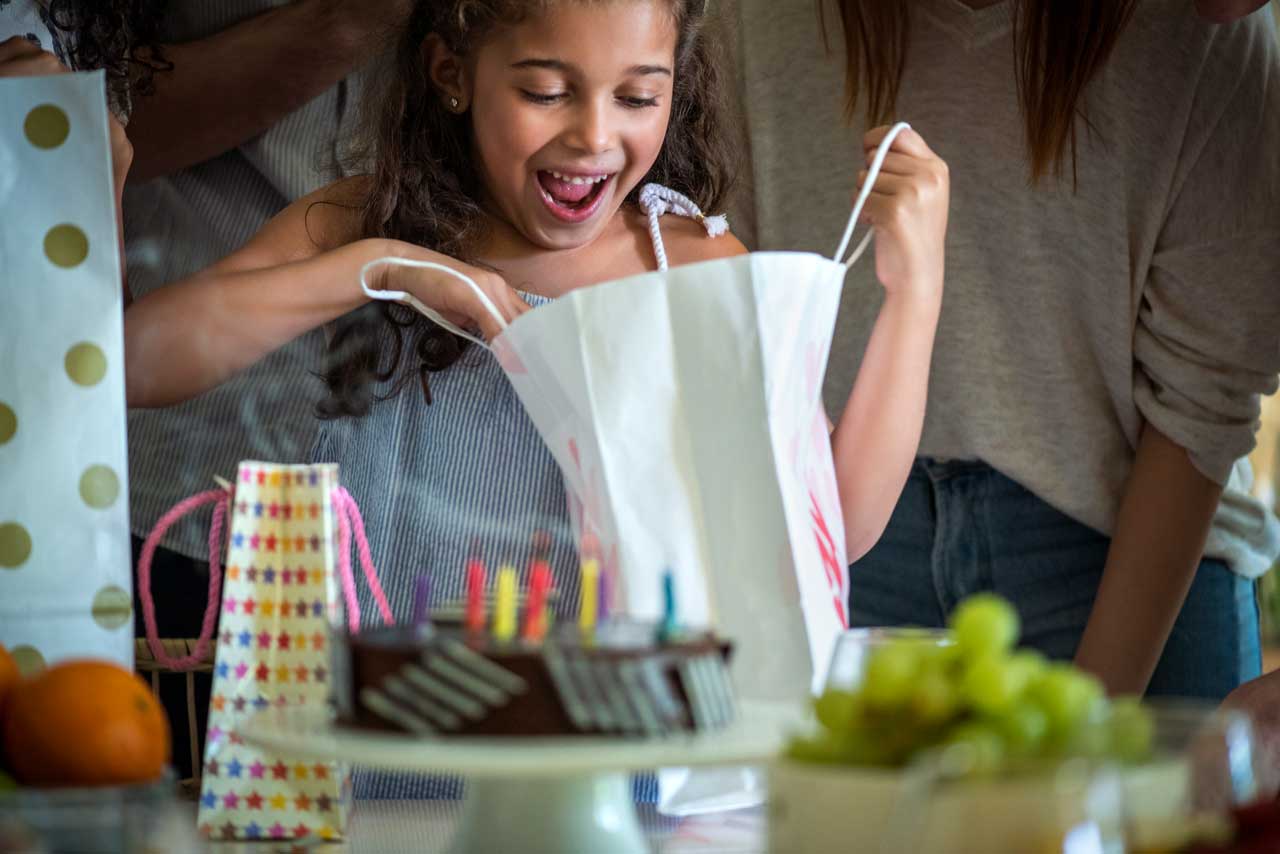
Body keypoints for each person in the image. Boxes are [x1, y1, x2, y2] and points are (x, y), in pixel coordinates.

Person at [123, 0, 949, 794]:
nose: (593, 135)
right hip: (381, 764)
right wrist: (373, 268)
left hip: (612, 785)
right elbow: (134, 363)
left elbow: (832, 522)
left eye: (637, 96)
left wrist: (915, 289)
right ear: (453, 72)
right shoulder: (362, 222)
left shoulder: (692, 264)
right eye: (545, 91)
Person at [730, 0, 1280, 701]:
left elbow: (1206, 400)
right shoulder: (753, 22)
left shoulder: (1209, 30)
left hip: (1129, 552)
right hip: (830, 533)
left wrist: (1094, 718)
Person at [119, 0, 410, 779]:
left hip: (429, 579)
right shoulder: (350, 214)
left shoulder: (674, 246)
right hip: (185, 490)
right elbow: (131, 359)